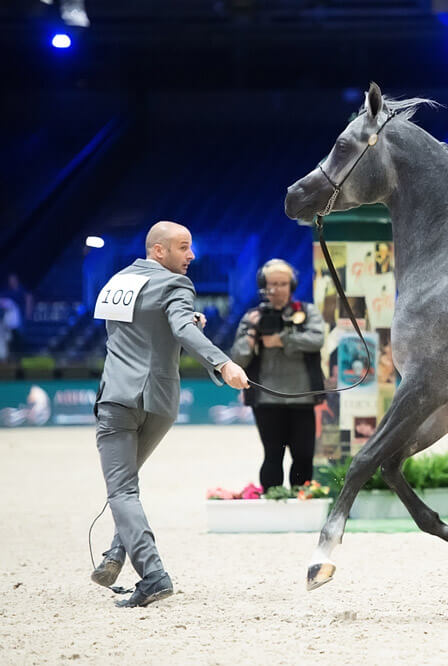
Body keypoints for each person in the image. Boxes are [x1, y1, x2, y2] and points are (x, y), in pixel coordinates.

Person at [91, 221, 249, 608]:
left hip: (117, 398)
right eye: (183, 247)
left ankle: (153, 575)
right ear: (158, 251)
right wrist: (222, 361)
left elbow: (134, 330)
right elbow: (175, 327)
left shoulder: (117, 281)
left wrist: (220, 361)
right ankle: (114, 557)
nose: (191, 255)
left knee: (122, 489)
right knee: (126, 486)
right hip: (160, 402)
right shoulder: (175, 285)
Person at [231, 259, 325, 491]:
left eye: (283, 283)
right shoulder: (252, 317)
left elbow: (317, 339)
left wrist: (282, 340)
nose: (277, 289)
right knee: (272, 455)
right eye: (272, 284)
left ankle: (302, 502)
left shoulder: (306, 311)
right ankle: (273, 501)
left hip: (302, 396)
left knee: (304, 455)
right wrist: (253, 333)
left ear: (291, 285)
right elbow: (238, 358)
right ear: (263, 286)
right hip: (267, 399)